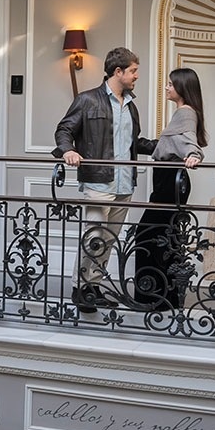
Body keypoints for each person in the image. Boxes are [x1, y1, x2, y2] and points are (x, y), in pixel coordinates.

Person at [53, 47, 156, 313]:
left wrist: (167, 147)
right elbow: (64, 129)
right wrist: (69, 150)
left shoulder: (131, 106)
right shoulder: (88, 100)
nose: (136, 76)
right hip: (98, 182)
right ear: (118, 71)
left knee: (108, 239)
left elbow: (134, 143)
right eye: (133, 71)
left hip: (124, 184)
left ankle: (94, 287)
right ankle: (80, 288)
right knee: (95, 237)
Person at [133, 68, 207, 310]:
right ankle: (166, 296)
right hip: (170, 180)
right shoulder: (184, 112)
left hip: (169, 180)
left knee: (147, 234)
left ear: (182, 88)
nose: (166, 88)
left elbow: (188, 141)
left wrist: (194, 155)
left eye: (170, 85)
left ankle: (153, 297)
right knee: (165, 236)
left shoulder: (185, 113)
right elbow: (169, 144)